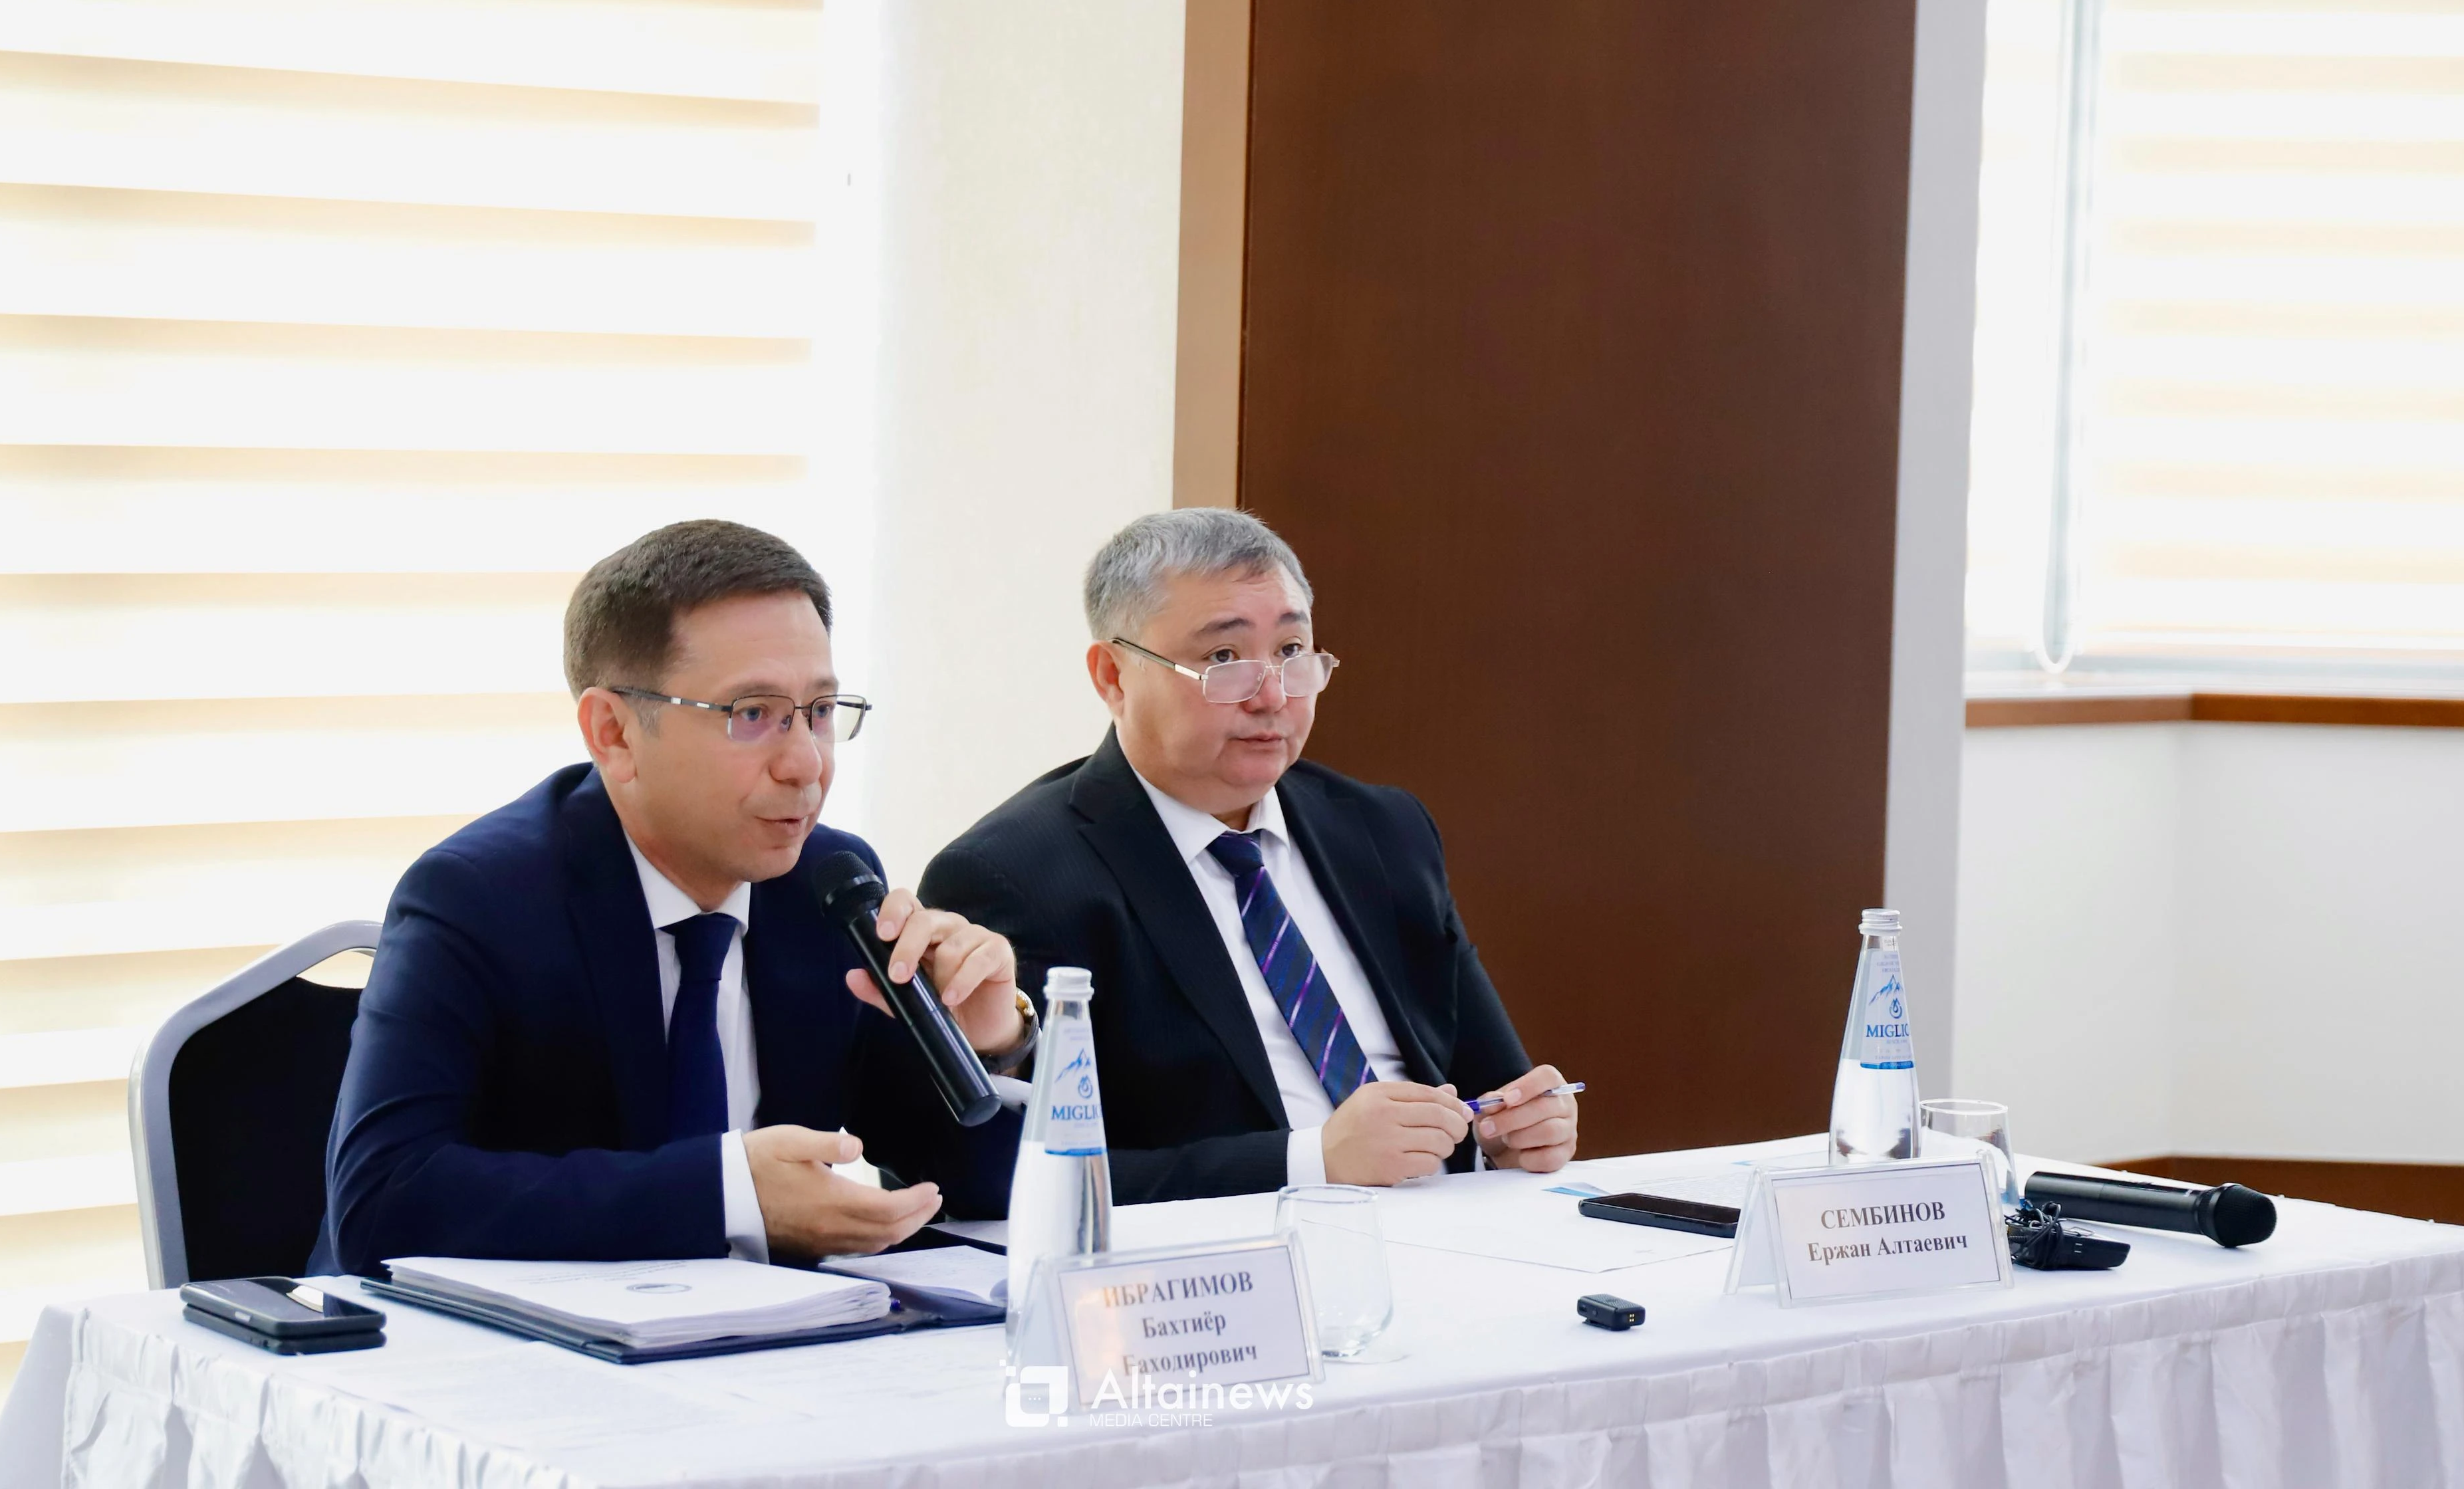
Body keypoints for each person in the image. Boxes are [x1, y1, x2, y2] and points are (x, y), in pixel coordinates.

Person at [314, 521, 1033, 1275]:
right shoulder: (480, 896)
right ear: (614, 733)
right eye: (751, 713)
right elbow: (382, 1201)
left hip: (769, 1334)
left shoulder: (824, 882)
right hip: (513, 1339)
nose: (805, 763)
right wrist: (727, 1194)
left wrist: (989, 1044)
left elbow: (981, 1187)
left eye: (820, 711)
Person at [920, 508, 1575, 1203]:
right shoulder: (1014, 875)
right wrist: (1310, 1160)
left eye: (1292, 650)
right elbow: (997, 1175)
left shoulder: (1382, 829)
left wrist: (1519, 1126)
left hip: (1453, 1237)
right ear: (1113, 675)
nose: (1272, 695)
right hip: (1230, 1257)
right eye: (1224, 660)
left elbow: (1493, 1087)